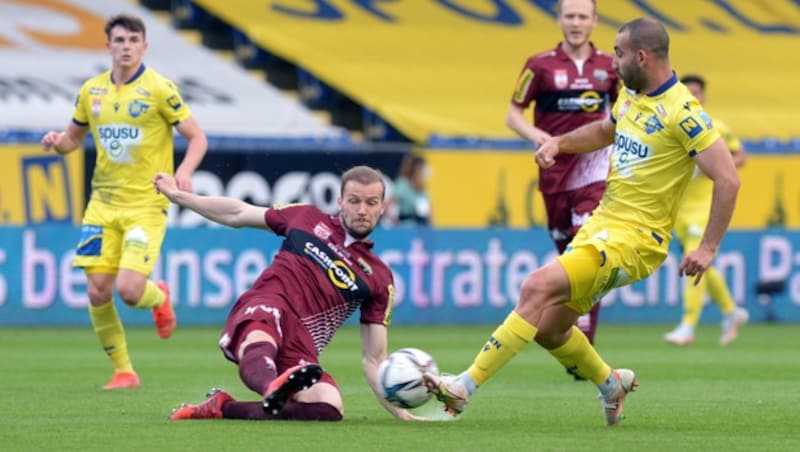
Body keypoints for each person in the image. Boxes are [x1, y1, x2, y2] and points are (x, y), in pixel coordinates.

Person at [424, 17, 740, 426]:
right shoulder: (631, 93)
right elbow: (605, 131)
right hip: (604, 225)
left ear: (642, 56)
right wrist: (559, 142)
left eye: (620, 53)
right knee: (549, 328)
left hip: (635, 240)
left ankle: (463, 388)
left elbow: (728, 178)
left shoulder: (684, 113)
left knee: (535, 286)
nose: (614, 62)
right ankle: (611, 384)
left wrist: (708, 247)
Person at [159, 166, 422, 421]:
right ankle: (272, 386)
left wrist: (401, 411)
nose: (362, 210)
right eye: (354, 201)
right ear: (340, 201)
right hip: (269, 302)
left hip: (303, 341)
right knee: (261, 337)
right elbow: (238, 212)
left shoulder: (379, 278)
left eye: (371, 202)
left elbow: (374, 359)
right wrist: (180, 197)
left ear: (383, 208)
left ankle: (224, 406)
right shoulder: (306, 217)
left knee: (329, 407)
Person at [40, 14, 208, 390]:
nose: (127, 46)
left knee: (130, 291)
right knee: (98, 289)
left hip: (145, 205)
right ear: (108, 46)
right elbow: (72, 140)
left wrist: (185, 172)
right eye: (120, 40)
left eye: (134, 39)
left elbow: (198, 138)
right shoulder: (91, 91)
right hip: (101, 205)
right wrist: (55, 143)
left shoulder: (160, 89)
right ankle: (124, 371)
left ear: (144, 46)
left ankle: (158, 295)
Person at [506, 0, 619, 361]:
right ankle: (570, 336)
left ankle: (585, 335)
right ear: (558, 20)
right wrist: (539, 137)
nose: (576, 23)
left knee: (587, 247)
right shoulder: (539, 65)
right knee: (567, 256)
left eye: (582, 16)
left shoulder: (609, 67)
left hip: (595, 171)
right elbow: (513, 114)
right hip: (554, 173)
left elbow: (623, 115)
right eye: (569, 16)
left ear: (594, 22)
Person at [664, 74, 749, 346]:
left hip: (705, 206)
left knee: (693, 256)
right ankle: (731, 311)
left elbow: (740, 157)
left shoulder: (716, 127)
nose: (693, 98)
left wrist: (713, 165)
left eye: (696, 93)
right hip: (679, 209)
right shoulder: (672, 124)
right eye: (687, 93)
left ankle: (687, 326)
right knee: (700, 264)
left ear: (704, 96)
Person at [388, 152, 432, 226]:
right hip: (405, 228)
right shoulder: (402, 184)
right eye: (422, 168)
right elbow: (389, 205)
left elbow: (429, 210)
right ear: (416, 169)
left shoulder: (423, 188)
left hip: (422, 228)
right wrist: (395, 222)